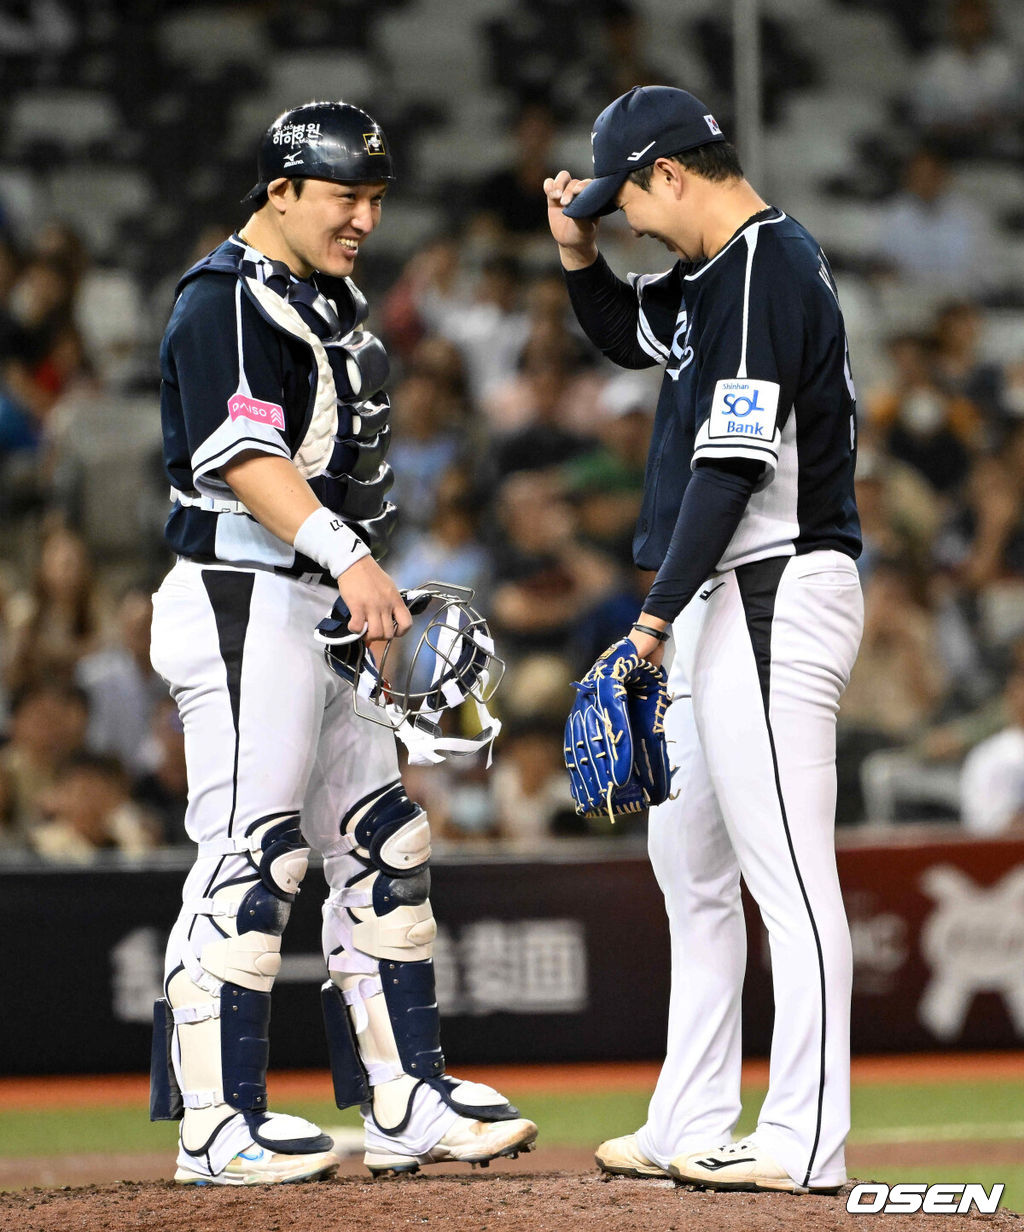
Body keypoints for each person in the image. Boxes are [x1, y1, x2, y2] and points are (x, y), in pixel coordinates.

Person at [148, 100, 536, 1188]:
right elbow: (243, 457)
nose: (364, 215)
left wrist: (356, 575)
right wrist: (350, 557)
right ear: (279, 190)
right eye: (342, 194)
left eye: (374, 196)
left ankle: (405, 1096)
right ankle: (217, 1124)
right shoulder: (223, 297)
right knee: (254, 851)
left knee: (383, 837)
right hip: (238, 592)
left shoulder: (321, 297)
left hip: (318, 595)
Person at [544, 86, 863, 1193]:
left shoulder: (766, 265)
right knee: (691, 869)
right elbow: (621, 334)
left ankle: (804, 1137)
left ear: (671, 172)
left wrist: (650, 616)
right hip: (721, 592)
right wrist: (576, 255)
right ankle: (690, 1113)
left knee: (788, 869)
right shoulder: (706, 280)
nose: (622, 217)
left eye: (626, 195)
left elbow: (731, 465)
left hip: (775, 581)